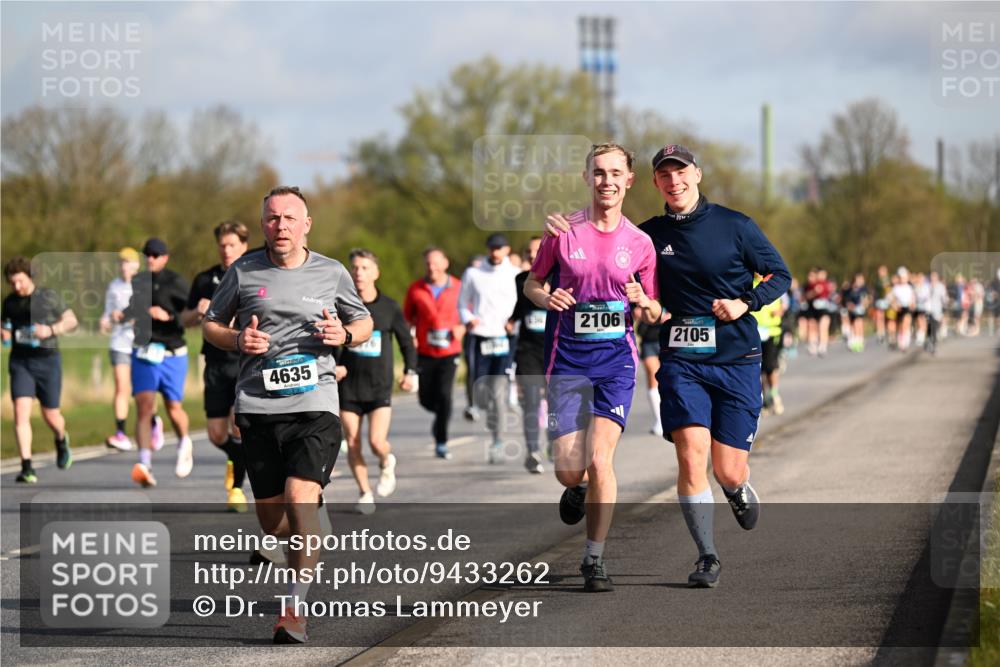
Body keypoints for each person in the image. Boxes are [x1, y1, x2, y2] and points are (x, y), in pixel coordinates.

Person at [549, 143, 790, 589]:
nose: (674, 181)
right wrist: (567, 225)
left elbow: (780, 275)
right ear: (655, 182)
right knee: (690, 454)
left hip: (736, 357)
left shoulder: (736, 226)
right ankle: (707, 556)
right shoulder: (646, 236)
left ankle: (736, 489)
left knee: (728, 469)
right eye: (665, 175)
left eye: (681, 172)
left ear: (697, 174)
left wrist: (745, 302)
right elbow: (606, 247)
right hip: (681, 359)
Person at [203, 185, 373, 644]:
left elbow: (363, 322)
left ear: (307, 224)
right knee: (272, 522)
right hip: (259, 406)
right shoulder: (243, 271)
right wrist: (237, 340)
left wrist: (345, 334)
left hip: (315, 403)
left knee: (299, 499)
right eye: (273, 218)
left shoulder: (331, 272)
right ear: (263, 225)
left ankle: (293, 608)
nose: (281, 226)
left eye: (290, 218)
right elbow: (212, 324)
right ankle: (312, 512)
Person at [527, 143, 661, 592]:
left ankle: (594, 558)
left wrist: (647, 305)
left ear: (629, 180)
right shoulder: (563, 231)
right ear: (587, 178)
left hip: (616, 364)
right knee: (570, 470)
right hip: (567, 361)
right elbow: (532, 283)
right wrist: (547, 297)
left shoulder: (641, 244)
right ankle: (576, 487)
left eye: (615, 173)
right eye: (598, 172)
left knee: (601, 458)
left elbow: (655, 309)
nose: (606, 180)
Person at [334, 248, 417, 514]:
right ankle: (364, 492)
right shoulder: (341, 306)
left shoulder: (389, 307)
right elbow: (331, 340)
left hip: (379, 385)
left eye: (364, 268)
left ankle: (386, 461)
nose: (359, 273)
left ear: (375, 273)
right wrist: (333, 365)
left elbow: (407, 343)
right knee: (353, 441)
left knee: (376, 442)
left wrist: (410, 372)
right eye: (355, 268)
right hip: (349, 386)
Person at [180, 221, 250, 512]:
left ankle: (236, 490)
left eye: (233, 244)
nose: (227, 250)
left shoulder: (254, 274)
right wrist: (196, 313)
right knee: (216, 434)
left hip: (245, 363)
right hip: (216, 364)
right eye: (222, 245)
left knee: (239, 426)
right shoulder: (204, 279)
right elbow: (182, 319)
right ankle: (235, 457)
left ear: (244, 246)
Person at [121, 238, 193, 488]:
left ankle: (184, 441)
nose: (150, 258)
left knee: (174, 407)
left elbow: (191, 315)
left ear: (165, 257)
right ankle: (144, 463)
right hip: (143, 352)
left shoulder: (177, 282)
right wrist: (123, 315)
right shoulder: (139, 281)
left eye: (155, 254)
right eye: (147, 254)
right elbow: (134, 306)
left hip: (172, 352)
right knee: (144, 406)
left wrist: (169, 316)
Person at [2, 256, 77, 482]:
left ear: (30, 277)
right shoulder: (9, 302)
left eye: (21, 281)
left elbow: (71, 320)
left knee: (51, 414)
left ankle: (61, 439)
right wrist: (4, 334)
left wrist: (51, 329)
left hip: (47, 361)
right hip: (21, 362)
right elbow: (6, 329)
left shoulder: (47, 297)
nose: (17, 287)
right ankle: (27, 467)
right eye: (12, 282)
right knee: (20, 411)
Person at [459, 234, 520, 463]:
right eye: (492, 248)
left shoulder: (515, 274)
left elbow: (521, 304)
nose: (495, 253)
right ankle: (476, 406)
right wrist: (468, 317)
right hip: (481, 336)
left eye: (500, 248)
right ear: (488, 249)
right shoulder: (473, 274)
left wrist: (514, 322)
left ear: (507, 250)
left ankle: (497, 440)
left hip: (505, 337)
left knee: (498, 393)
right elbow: (463, 302)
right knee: (483, 391)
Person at [404, 248, 465, 460]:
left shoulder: (459, 287)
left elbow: (468, 315)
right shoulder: (416, 289)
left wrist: (462, 328)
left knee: (445, 396)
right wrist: (409, 335)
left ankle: (441, 441)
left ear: (445, 263)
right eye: (428, 264)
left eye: (436, 263)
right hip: (425, 351)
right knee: (426, 399)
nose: (432, 267)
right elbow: (407, 318)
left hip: (450, 352)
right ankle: (441, 412)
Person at [509, 237, 548, 472]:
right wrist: (512, 320)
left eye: (538, 251)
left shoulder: (563, 276)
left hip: (555, 349)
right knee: (531, 401)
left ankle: (556, 442)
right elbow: (523, 304)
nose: (533, 256)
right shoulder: (521, 279)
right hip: (528, 350)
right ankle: (533, 450)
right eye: (529, 252)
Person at [100, 247, 142, 451]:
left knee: (142, 390)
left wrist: (136, 319)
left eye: (128, 262)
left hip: (141, 343)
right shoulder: (113, 286)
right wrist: (106, 321)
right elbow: (107, 314)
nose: (124, 266)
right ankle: (121, 433)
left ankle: (152, 423)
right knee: (121, 388)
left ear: (136, 265)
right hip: (119, 343)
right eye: (121, 262)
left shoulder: (144, 285)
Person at [751, 276, 785, 415]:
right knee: (758, 369)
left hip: (771, 332)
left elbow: (782, 305)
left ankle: (775, 395)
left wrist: (779, 312)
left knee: (770, 367)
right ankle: (763, 400)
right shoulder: (748, 283)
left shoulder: (773, 282)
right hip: (755, 332)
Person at [843, 273, 870, 353]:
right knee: (853, 325)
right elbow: (846, 300)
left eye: (862, 280)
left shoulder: (864, 289)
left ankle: (860, 340)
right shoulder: (849, 290)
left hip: (860, 310)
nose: (860, 281)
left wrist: (864, 305)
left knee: (859, 323)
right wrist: (850, 306)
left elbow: (866, 300)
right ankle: (854, 339)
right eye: (859, 280)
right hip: (851, 310)